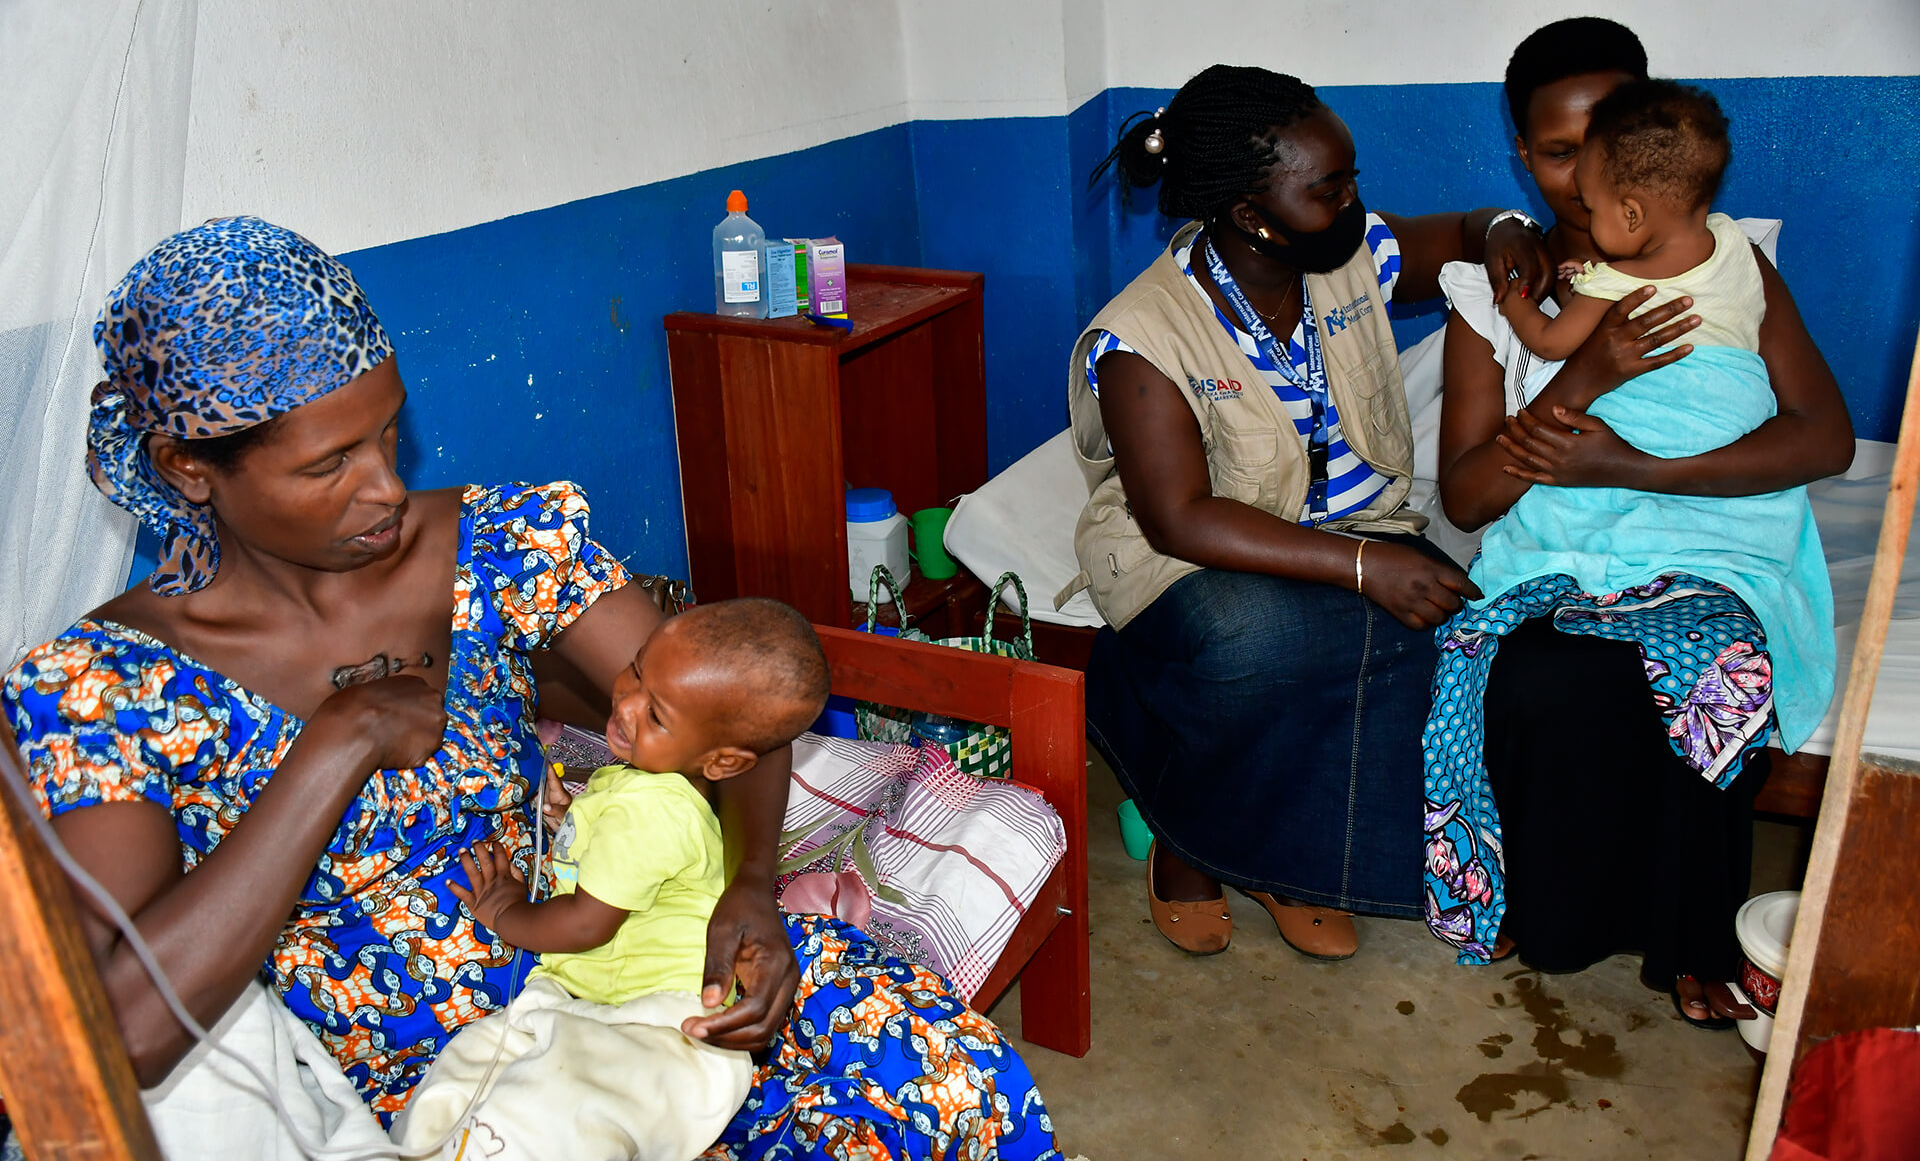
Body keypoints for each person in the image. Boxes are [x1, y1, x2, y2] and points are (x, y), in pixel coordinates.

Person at [1, 217, 1058, 1160]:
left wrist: (746, 887)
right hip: (447, 1070)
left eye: (386, 431)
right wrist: (340, 742)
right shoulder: (107, 690)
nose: (385, 485)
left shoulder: (497, 543)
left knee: (942, 1077)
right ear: (191, 469)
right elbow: (120, 1030)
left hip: (618, 944)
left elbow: (731, 701)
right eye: (329, 465)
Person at [1069, 64, 1554, 960]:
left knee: (1456, 635)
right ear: (1250, 212)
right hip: (1193, 556)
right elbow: (1178, 517)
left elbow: (1456, 235)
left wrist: (1501, 226)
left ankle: (1289, 861)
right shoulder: (1142, 336)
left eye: (1352, 177)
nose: (1354, 201)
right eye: (1328, 189)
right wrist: (1365, 569)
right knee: (1264, 638)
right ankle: (1189, 837)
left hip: (1354, 534)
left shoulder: (1349, 251)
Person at [1426, 18, 1853, 1027]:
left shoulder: (1726, 263)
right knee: (1539, 671)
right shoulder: (1502, 297)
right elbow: (1471, 496)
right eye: (1559, 153)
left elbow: (1823, 437)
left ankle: (1698, 934)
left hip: (1715, 545)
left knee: (1711, 668)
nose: (1584, 184)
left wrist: (1636, 461)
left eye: (1605, 146)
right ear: (1525, 157)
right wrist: (1588, 372)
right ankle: (1552, 911)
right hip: (1561, 553)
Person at [393, 599, 828, 1160]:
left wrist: (504, 911)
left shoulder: (648, 810)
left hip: (654, 1022)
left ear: (720, 763)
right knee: (463, 1084)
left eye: (658, 716)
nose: (626, 704)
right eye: (638, 670)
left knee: (551, 1117)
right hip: (584, 1002)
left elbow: (585, 923)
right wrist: (568, 820)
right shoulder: (645, 781)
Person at [1494, 80, 1759, 362]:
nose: (1588, 214)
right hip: (1746, 394)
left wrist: (1514, 303)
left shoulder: (1616, 280)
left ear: (1632, 215)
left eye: (1592, 208)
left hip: (1668, 398)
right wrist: (1592, 273)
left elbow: (1550, 344)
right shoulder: (1730, 237)